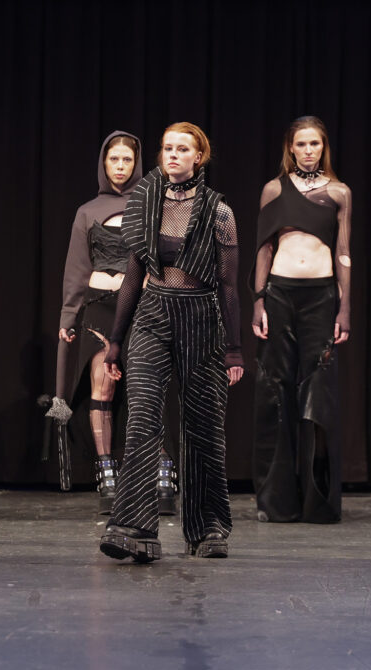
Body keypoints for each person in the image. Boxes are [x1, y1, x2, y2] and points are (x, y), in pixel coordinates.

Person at [98, 122, 243, 562]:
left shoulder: (219, 211)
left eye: (183, 149)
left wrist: (234, 348)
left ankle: (207, 528)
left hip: (201, 318)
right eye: (167, 148)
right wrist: (116, 341)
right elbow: (133, 276)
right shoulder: (146, 203)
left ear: (199, 156)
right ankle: (134, 529)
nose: (173, 155)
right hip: (153, 314)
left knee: (203, 425)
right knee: (142, 416)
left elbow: (229, 287)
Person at [50, 130, 181, 515]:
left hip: (142, 305)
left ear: (136, 164)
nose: (120, 166)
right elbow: (76, 269)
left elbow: (167, 260)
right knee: (102, 387)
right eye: (114, 159)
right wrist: (68, 316)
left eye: (127, 159)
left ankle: (161, 470)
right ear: (103, 164)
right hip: (98, 307)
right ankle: (107, 474)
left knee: (148, 388)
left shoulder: (153, 204)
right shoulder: (88, 211)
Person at [251, 116, 352, 524]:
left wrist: (345, 308)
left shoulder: (339, 192)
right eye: (302, 144)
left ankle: (318, 500)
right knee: (275, 391)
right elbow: (264, 248)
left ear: (323, 147)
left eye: (315, 144)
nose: (309, 150)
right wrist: (258, 300)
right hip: (279, 294)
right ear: (290, 148)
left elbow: (343, 252)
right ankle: (276, 501)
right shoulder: (274, 189)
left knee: (319, 393)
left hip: (321, 298)